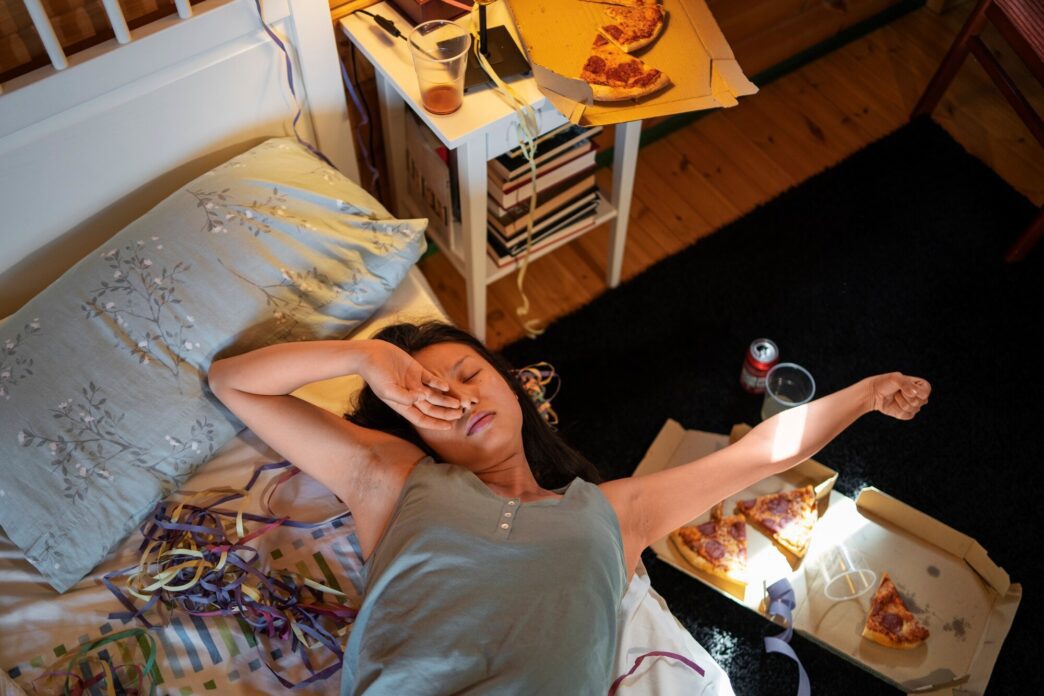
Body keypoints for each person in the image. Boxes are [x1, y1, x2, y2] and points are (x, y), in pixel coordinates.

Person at [207, 321, 930, 695]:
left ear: (512, 389)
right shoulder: (393, 481)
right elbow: (235, 384)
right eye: (429, 395)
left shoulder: (610, 514)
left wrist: (865, 393)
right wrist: (364, 358)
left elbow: (762, 454)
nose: (458, 395)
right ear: (407, 428)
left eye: (468, 374)